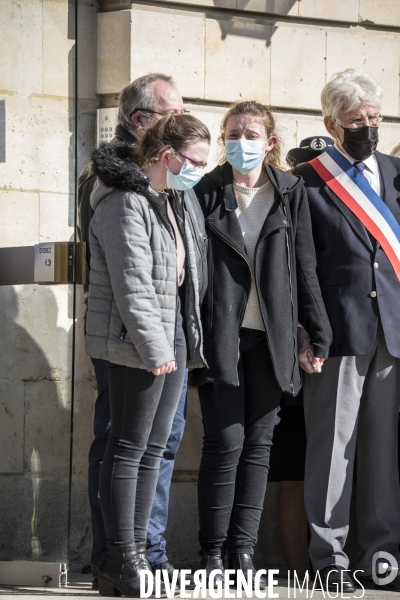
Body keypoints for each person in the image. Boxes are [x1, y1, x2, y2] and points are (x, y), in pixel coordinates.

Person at [191, 101, 332, 588]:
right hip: (221, 335)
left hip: (272, 336)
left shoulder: (291, 191)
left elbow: (305, 267)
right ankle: (212, 553)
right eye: (233, 132)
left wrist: (316, 331)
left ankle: (243, 553)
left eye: (252, 133)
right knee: (225, 441)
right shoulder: (206, 191)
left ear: (270, 142)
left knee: (259, 446)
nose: (241, 141)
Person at [77, 73, 195, 588]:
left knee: (151, 449)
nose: (182, 126)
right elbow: (132, 283)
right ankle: (120, 558)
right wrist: (155, 346)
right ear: (141, 121)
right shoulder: (123, 191)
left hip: (168, 341)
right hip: (137, 344)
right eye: (173, 114)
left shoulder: (157, 190)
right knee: (126, 446)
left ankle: (137, 555)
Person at [295, 69, 400, 593]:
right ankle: (328, 557)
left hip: (393, 332)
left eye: (376, 117)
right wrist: (307, 330)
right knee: (333, 448)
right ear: (332, 124)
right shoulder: (309, 181)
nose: (369, 127)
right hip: (337, 331)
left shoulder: (396, 173)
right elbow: (302, 267)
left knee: (383, 449)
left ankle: (382, 554)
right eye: (357, 120)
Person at [268, 135, 334, 580]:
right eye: (304, 170)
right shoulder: (284, 208)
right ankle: (299, 576)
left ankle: (332, 565)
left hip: (339, 358)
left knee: (333, 472)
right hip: (292, 362)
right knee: (292, 476)